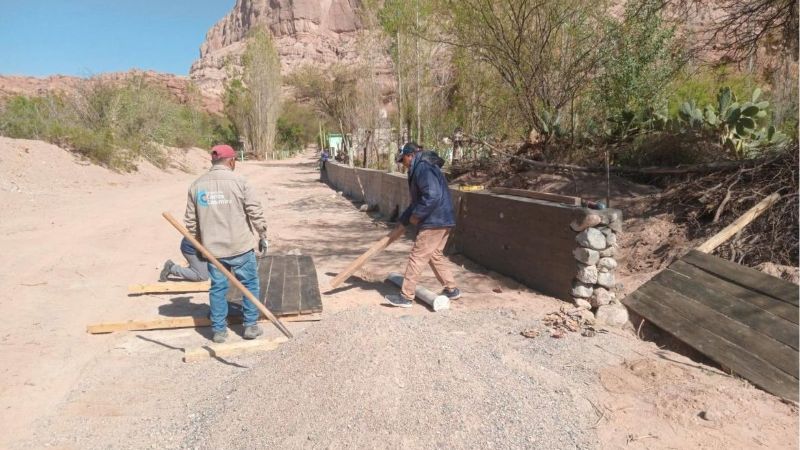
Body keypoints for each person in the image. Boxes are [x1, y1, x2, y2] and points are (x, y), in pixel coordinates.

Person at [184, 144, 269, 343]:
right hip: (240, 246)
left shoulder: (197, 185)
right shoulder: (240, 182)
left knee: (218, 289)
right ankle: (250, 326)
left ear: (212, 161)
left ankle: (219, 331)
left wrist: (199, 245)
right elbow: (254, 211)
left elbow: (190, 222)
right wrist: (263, 234)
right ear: (231, 161)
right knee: (249, 284)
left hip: (214, 251)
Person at [385, 142, 461, 308]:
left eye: (403, 159)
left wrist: (417, 216)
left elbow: (432, 196)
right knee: (434, 255)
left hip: (434, 220)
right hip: (444, 218)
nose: (403, 164)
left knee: (417, 256)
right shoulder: (424, 166)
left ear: (409, 155)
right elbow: (418, 201)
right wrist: (404, 220)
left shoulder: (422, 168)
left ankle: (406, 296)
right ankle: (452, 289)